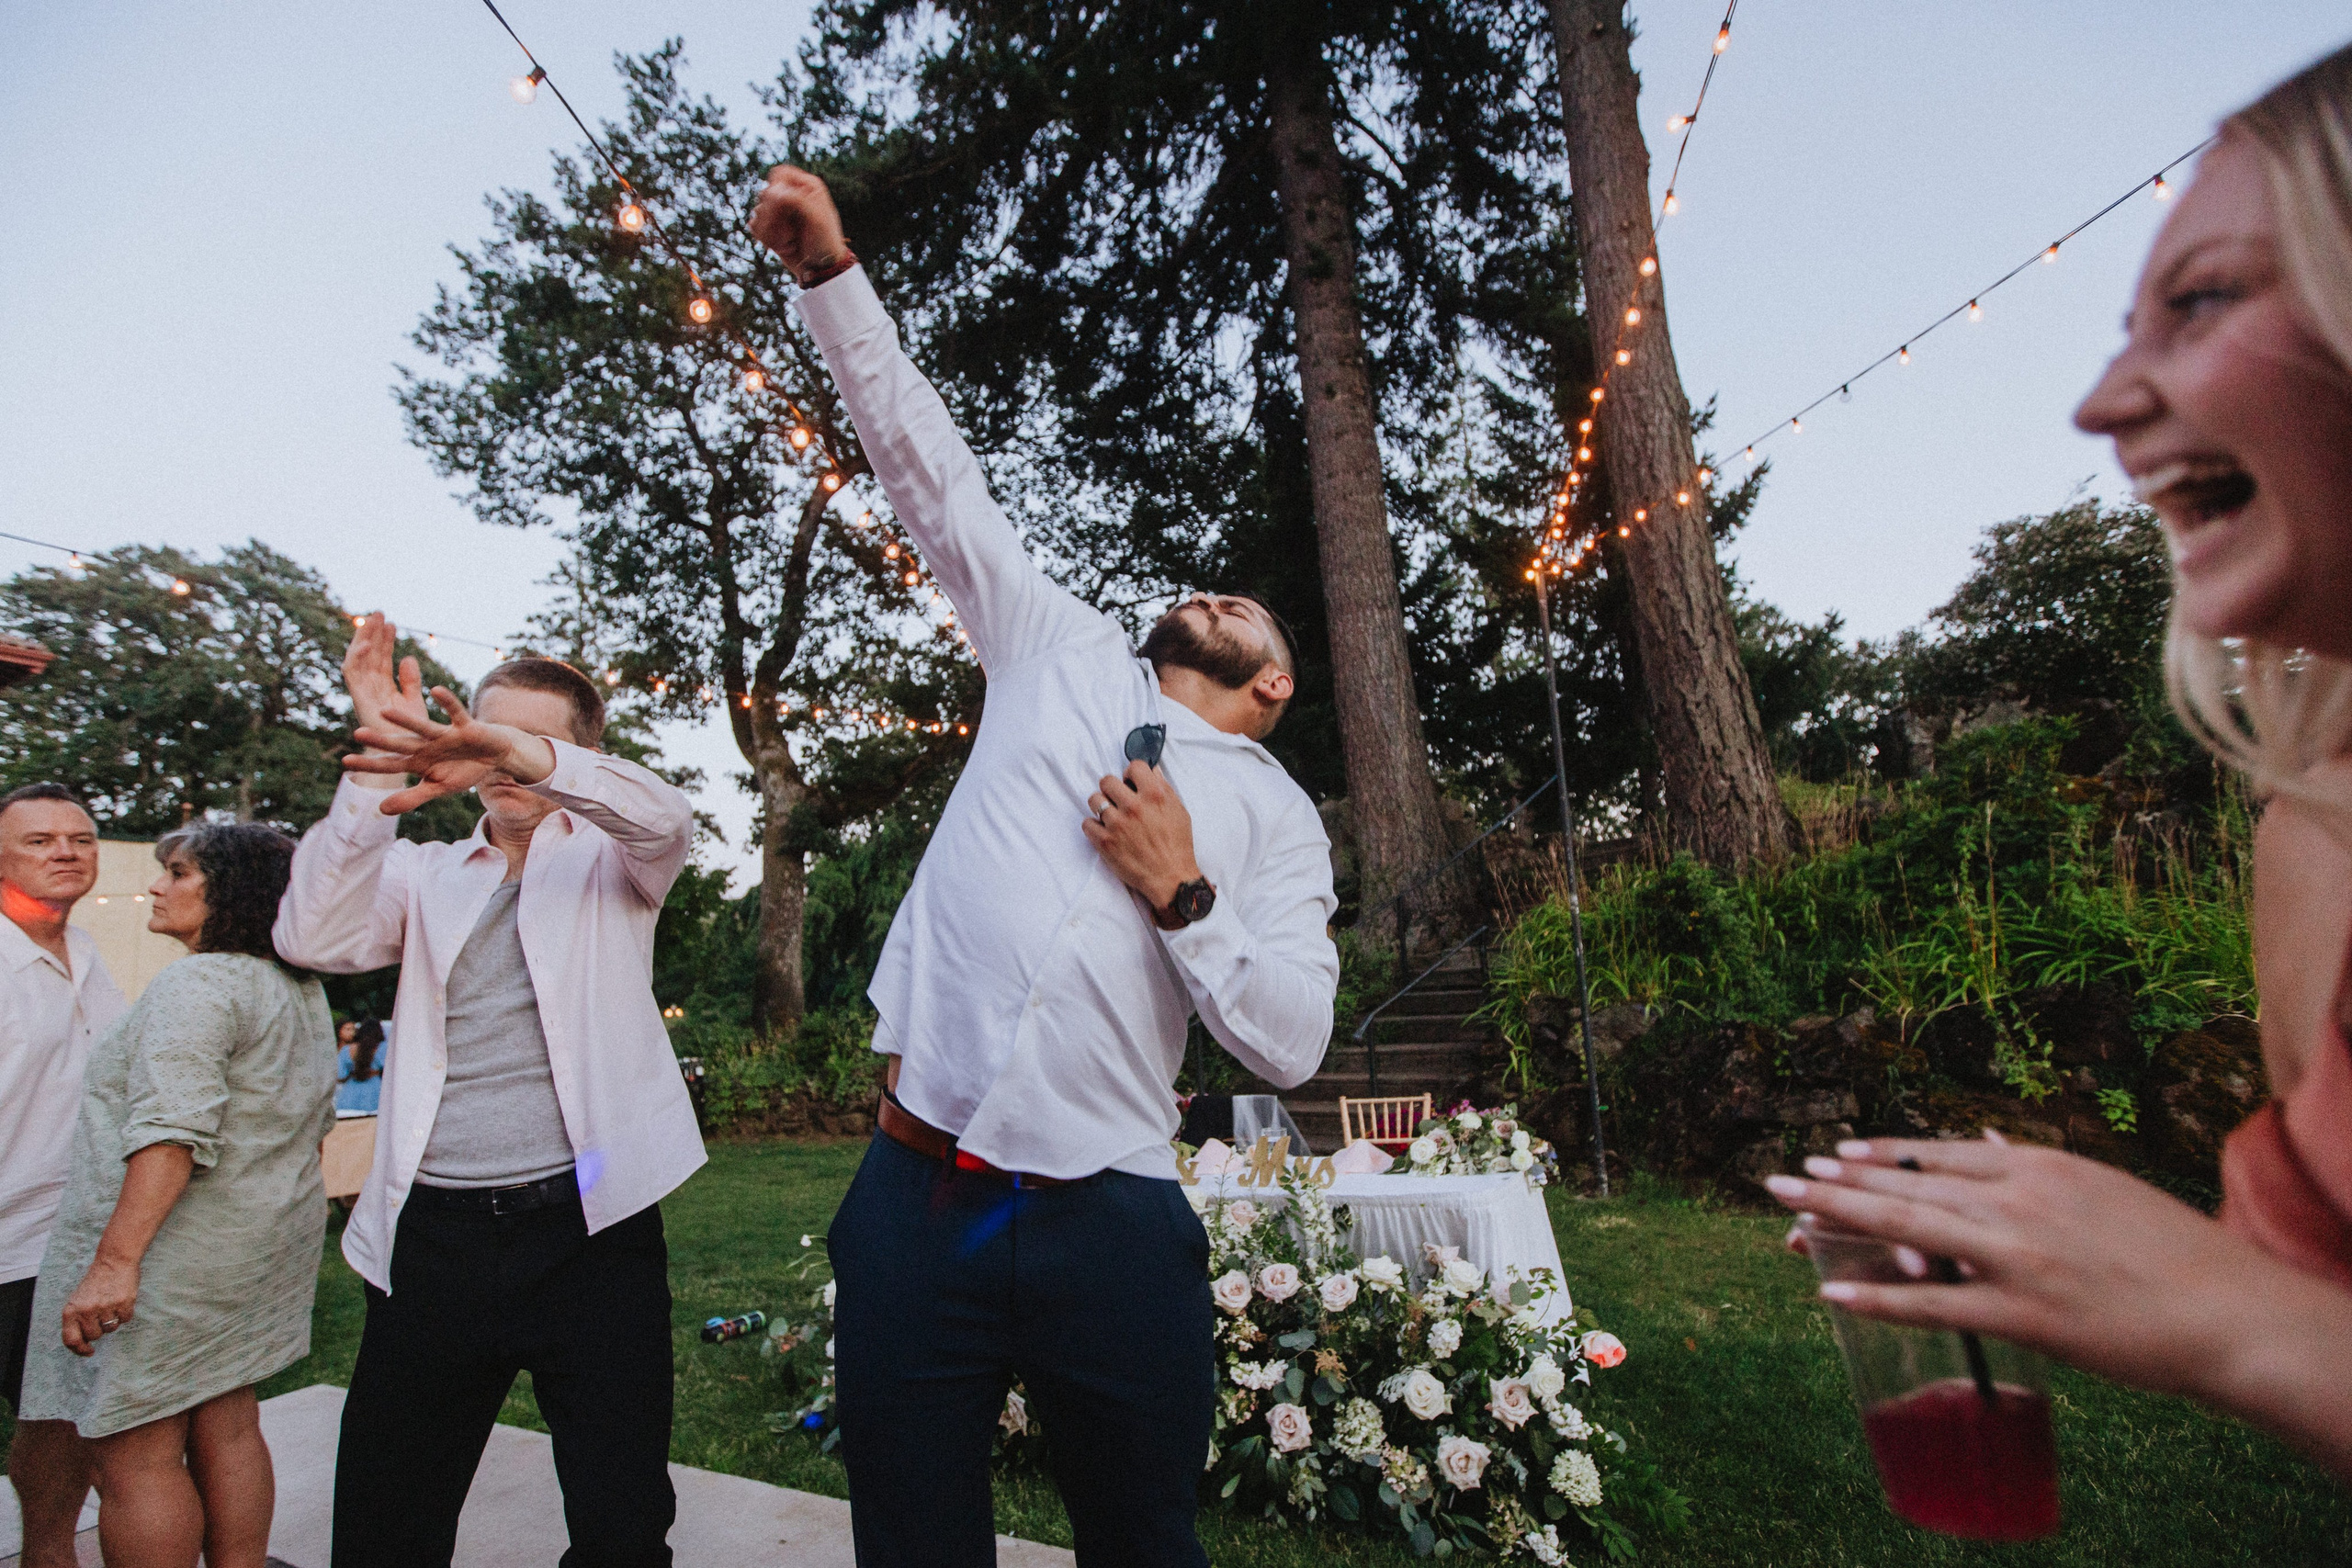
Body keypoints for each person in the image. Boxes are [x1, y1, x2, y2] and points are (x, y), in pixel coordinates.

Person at [1767, 44, 2352, 1483]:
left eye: (2199, 300)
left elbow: (2288, 1328)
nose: (2100, 403)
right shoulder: (2315, 837)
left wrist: (2230, 1316)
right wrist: (2070, 1242)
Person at [749, 167, 1341, 1566]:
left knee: (1143, 1544)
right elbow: (929, 469)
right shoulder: (1055, 649)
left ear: (1273, 684)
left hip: (1113, 1217)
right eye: (1211, 590)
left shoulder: (1281, 819)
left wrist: (1182, 893)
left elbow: (1296, 1040)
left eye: (1248, 611)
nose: (1216, 592)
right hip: (915, 1188)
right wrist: (832, 277)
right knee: (912, 1542)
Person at [273, 635, 704, 1568]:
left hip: (592, 1234)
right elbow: (312, 933)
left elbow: (667, 815)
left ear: (580, 754)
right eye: (482, 732)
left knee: (623, 1523)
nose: (496, 756)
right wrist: (378, 764)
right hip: (433, 1239)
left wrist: (521, 753)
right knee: (387, 1525)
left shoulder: (620, 861)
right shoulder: (422, 875)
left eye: (525, 743)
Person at [17, 822, 336, 1568]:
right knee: (228, 1420)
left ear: (233, 890)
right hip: (257, 1249)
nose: (158, 886)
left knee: (134, 1449)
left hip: (175, 1255)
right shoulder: (298, 988)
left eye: (181, 872)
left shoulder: (199, 983)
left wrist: (113, 1262)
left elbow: (171, 1132)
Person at [0, 784, 124, 1568]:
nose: (66, 852)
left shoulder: (86, 951)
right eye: (40, 840)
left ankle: (48, 1557)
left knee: (61, 1424)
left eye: (80, 838)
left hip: (66, 1243)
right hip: (4, 1240)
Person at [334, 1019, 386, 1116]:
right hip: (376, 1089)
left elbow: (341, 1075)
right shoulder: (382, 1048)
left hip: (350, 1091)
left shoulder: (346, 1049)